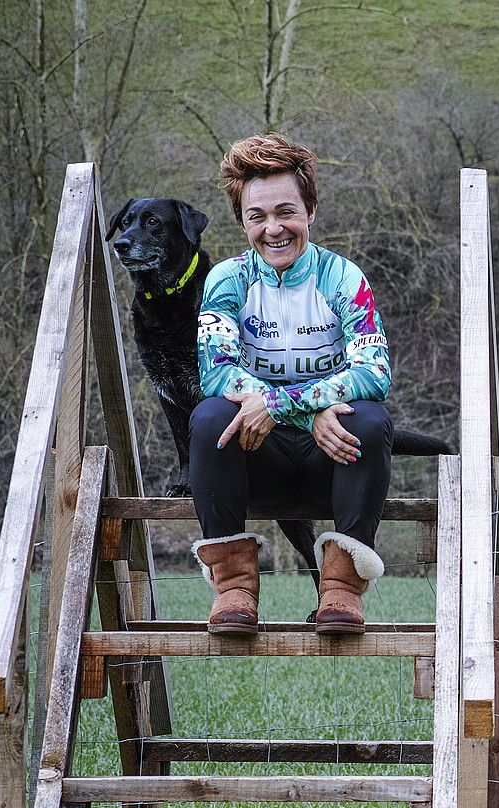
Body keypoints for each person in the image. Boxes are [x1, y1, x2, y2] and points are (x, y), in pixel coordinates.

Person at [189, 133, 393, 637]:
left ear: (311, 211)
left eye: (286, 212)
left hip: (333, 461)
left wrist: (284, 403)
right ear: (243, 221)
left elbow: (374, 372)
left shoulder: (344, 278)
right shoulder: (226, 279)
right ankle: (234, 588)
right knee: (210, 415)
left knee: (367, 417)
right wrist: (300, 407)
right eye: (257, 216)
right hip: (260, 459)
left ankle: (341, 590)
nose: (273, 228)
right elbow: (215, 371)